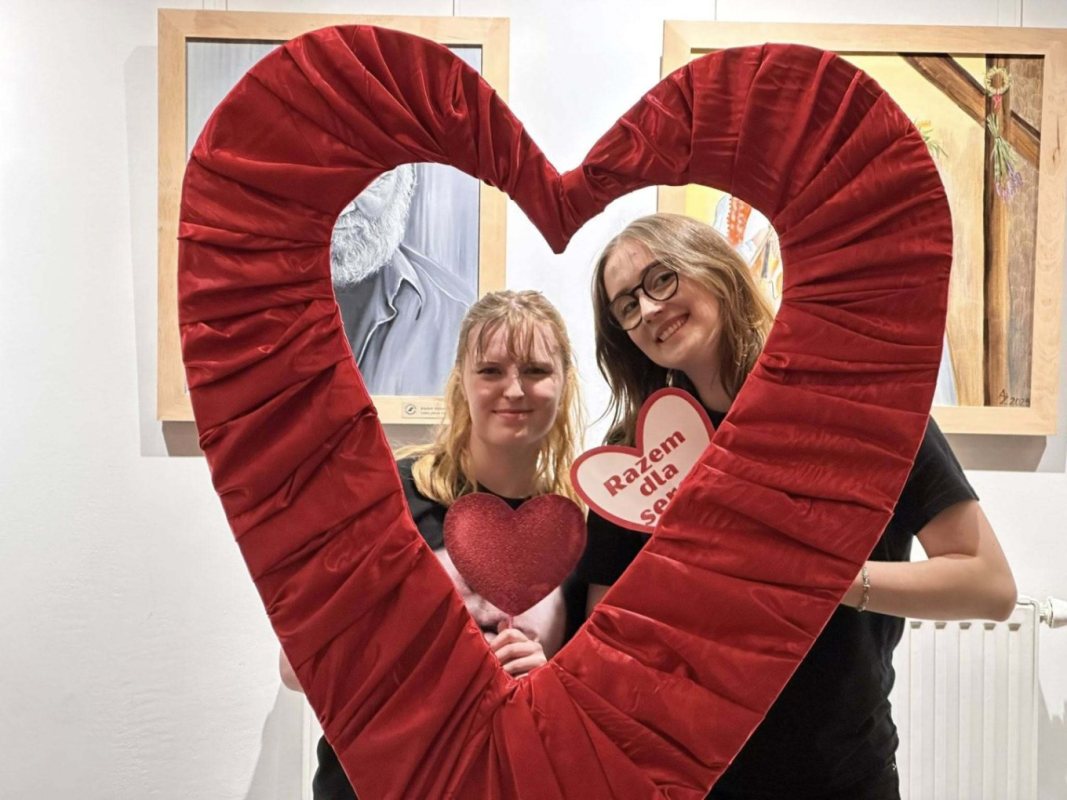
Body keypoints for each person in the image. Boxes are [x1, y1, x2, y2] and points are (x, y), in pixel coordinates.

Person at [577, 212, 1018, 800]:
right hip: (698, 779)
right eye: (627, 306)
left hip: (844, 774)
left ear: (715, 267)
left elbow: (989, 584)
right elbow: (609, 636)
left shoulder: (855, 403)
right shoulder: (635, 459)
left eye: (661, 278)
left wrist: (824, 579)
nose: (650, 309)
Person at [281, 289, 586, 799]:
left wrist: (549, 684)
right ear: (461, 381)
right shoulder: (385, 498)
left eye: (536, 370)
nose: (515, 389)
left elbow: (591, 704)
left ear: (564, 382)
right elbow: (296, 668)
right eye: (490, 371)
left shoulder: (584, 529)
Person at [331, 164, 475, 396]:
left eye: (371, 179)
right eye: (322, 177)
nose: (345, 207)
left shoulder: (456, 315)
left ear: (405, 184)